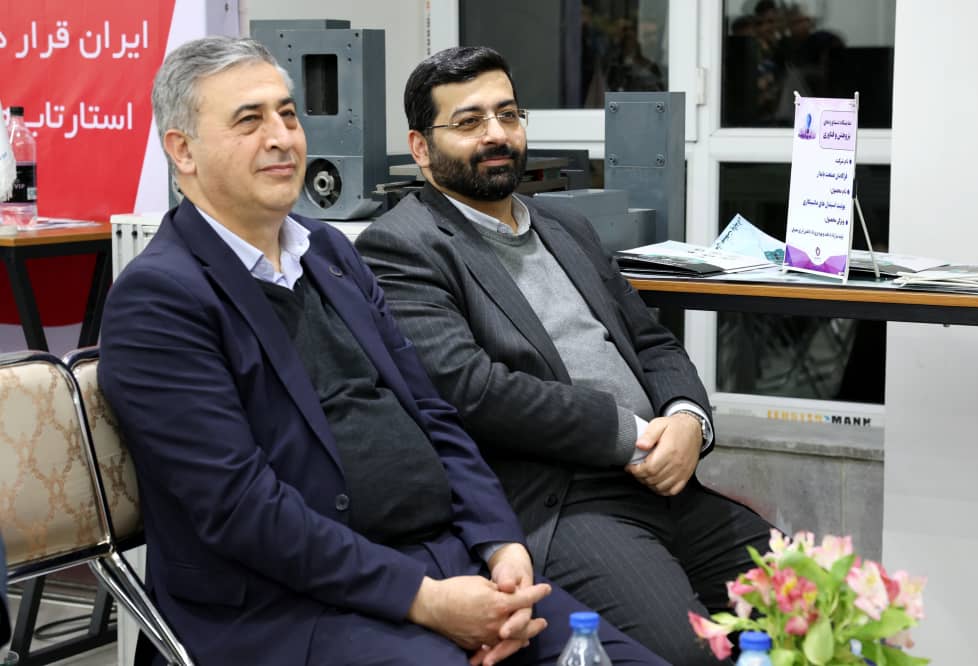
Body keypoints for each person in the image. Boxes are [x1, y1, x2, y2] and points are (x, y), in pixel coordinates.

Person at [98, 36, 668, 666]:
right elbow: (240, 509)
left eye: (287, 114)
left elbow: (432, 414)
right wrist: (425, 601)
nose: (282, 138)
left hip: (444, 562)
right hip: (288, 607)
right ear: (182, 150)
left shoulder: (329, 253)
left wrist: (502, 546)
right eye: (249, 121)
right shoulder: (160, 299)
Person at [355, 46, 774, 665]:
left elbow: (651, 341)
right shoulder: (401, 245)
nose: (496, 134)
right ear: (421, 148)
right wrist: (630, 436)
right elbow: (472, 388)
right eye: (469, 121)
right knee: (686, 655)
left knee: (818, 611)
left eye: (508, 114)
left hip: (667, 485)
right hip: (565, 503)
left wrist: (688, 418)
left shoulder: (565, 226)